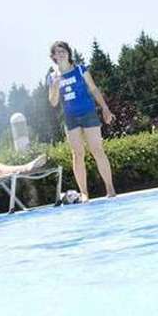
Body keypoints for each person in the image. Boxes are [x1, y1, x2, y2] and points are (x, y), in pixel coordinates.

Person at [45, 41, 116, 200]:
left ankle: (110, 189)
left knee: (97, 150)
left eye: (63, 50)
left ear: (68, 53)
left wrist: (105, 108)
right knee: (77, 154)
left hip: (88, 113)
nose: (61, 54)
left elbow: (94, 89)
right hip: (71, 118)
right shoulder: (52, 77)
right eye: (57, 52)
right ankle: (84, 193)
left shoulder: (80, 69)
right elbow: (53, 102)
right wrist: (55, 86)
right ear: (54, 57)